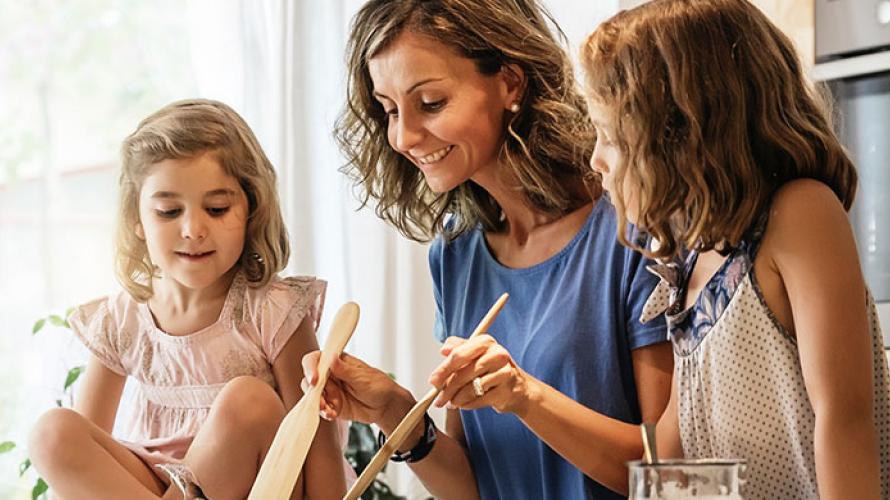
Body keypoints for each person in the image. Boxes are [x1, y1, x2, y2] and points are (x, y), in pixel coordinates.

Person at [303, 1, 674, 498]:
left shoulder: (632, 229)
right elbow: (473, 488)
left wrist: (525, 396)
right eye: (390, 110)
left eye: (430, 102)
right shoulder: (456, 255)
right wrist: (396, 410)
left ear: (511, 83)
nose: (404, 136)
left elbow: (672, 476)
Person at [580, 0, 890, 498]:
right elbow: (668, 457)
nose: (595, 160)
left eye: (611, 136)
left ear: (680, 130)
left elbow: (844, 419)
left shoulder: (799, 215)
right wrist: (523, 399)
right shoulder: (692, 261)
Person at [28, 99, 348, 500]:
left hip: (262, 488)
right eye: (167, 211)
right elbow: (88, 455)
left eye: (216, 208)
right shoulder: (121, 319)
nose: (193, 229)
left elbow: (315, 436)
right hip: (159, 485)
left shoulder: (271, 309)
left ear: (252, 209)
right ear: (136, 220)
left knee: (247, 401)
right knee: (52, 433)